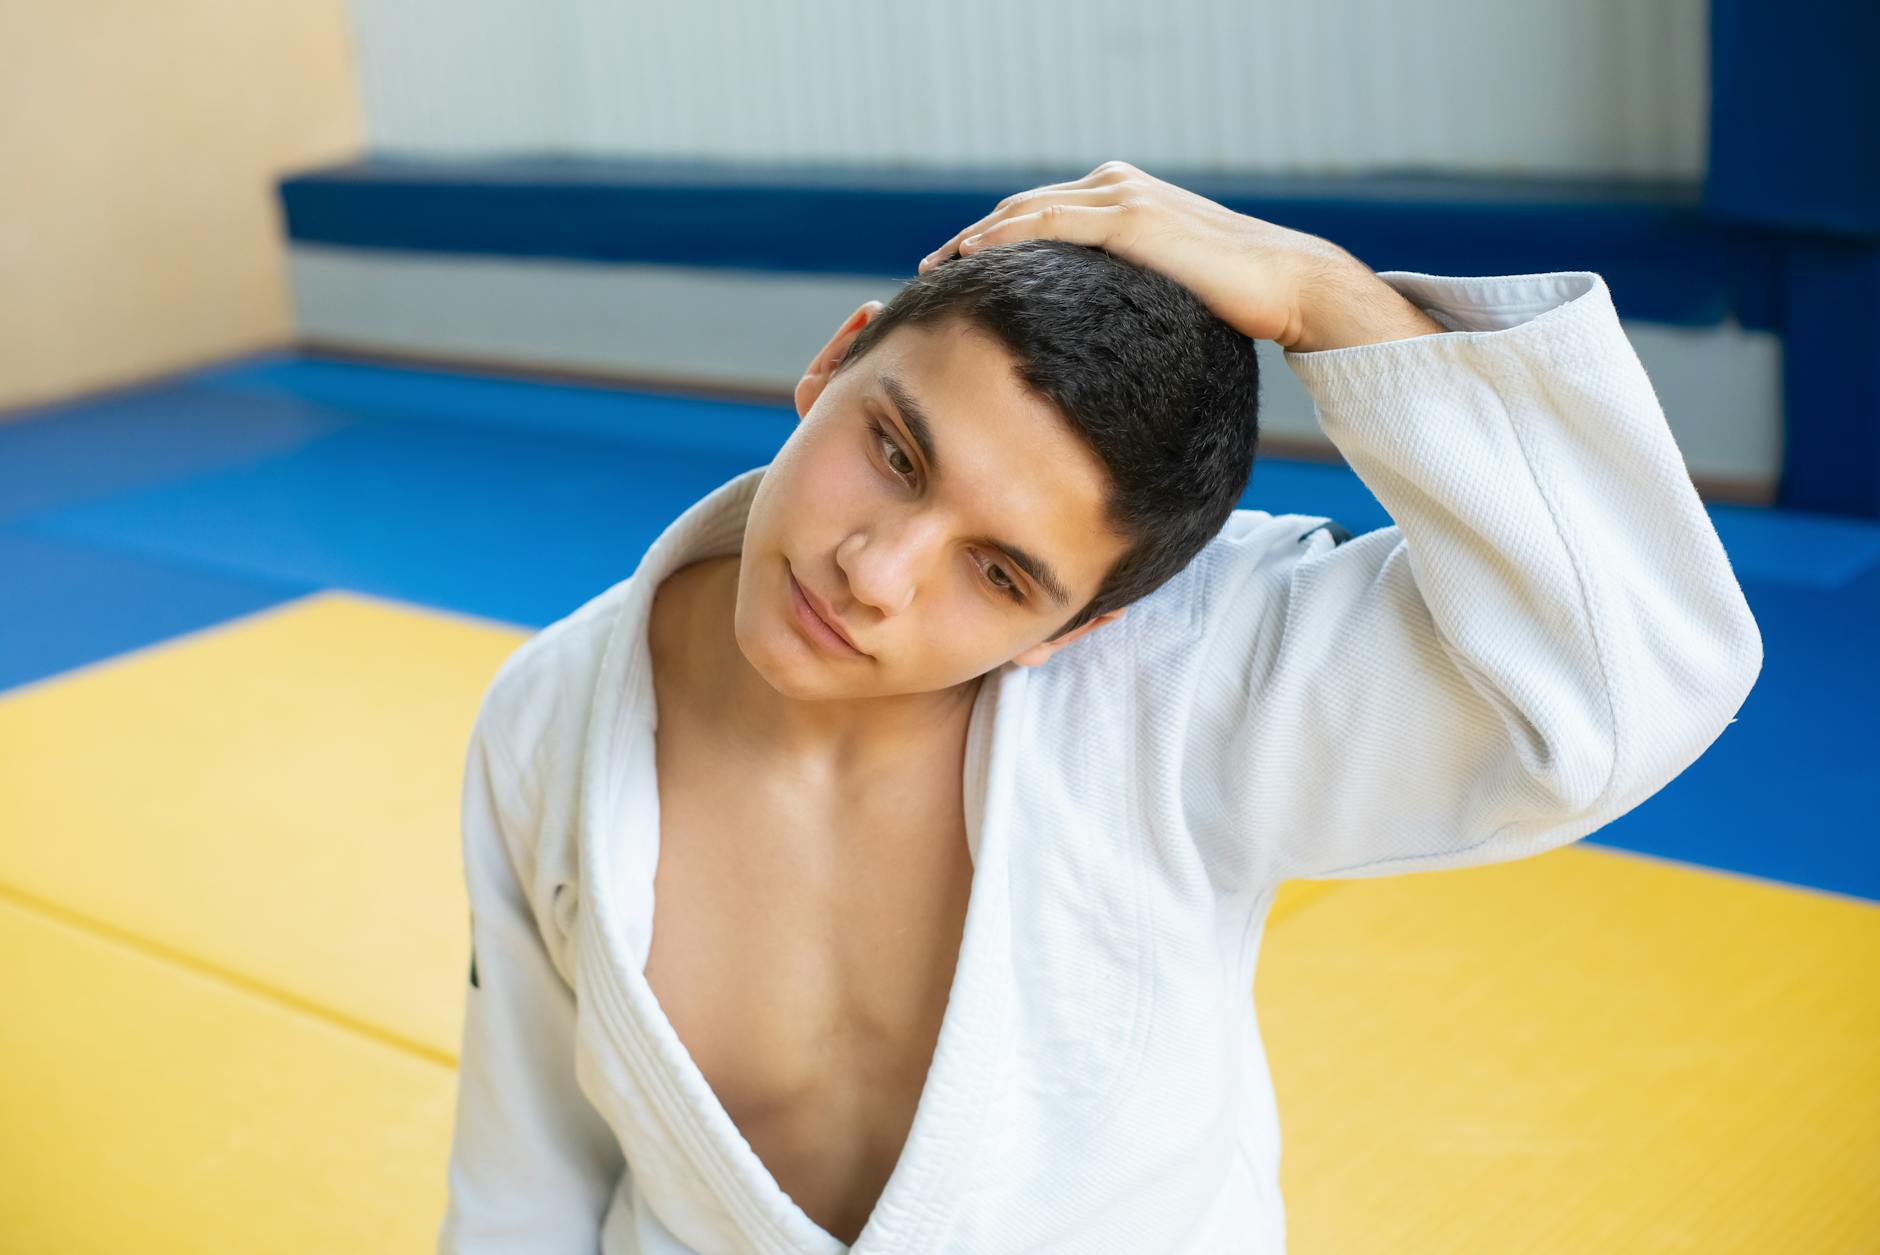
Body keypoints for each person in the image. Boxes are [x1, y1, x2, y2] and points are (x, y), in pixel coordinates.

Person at [435, 161, 1763, 1253]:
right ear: (838, 356)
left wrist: (1322, 298)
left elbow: (1623, 686)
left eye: (1000, 573)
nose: (874, 574)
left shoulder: (1185, 681)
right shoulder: (551, 714)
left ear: (1084, 624)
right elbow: (526, 1176)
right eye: (894, 452)